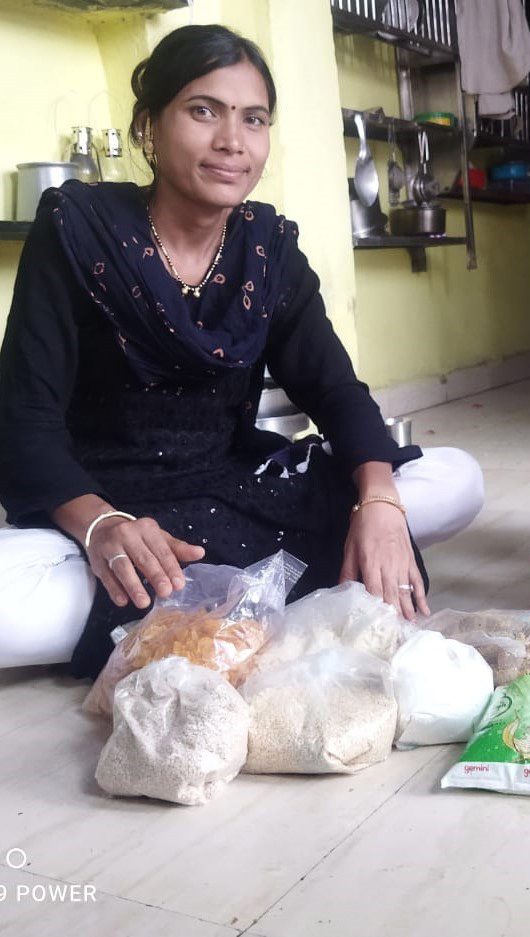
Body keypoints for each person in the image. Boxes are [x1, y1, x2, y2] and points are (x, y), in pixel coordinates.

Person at [0, 25, 483, 676]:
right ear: (148, 126)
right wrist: (100, 526)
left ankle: (213, 594)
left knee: (456, 480)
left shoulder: (267, 249)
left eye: (253, 119)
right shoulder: (79, 231)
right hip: (108, 507)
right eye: (204, 111)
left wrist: (378, 502)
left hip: (233, 494)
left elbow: (335, 390)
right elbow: (24, 420)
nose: (233, 141)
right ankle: (236, 586)